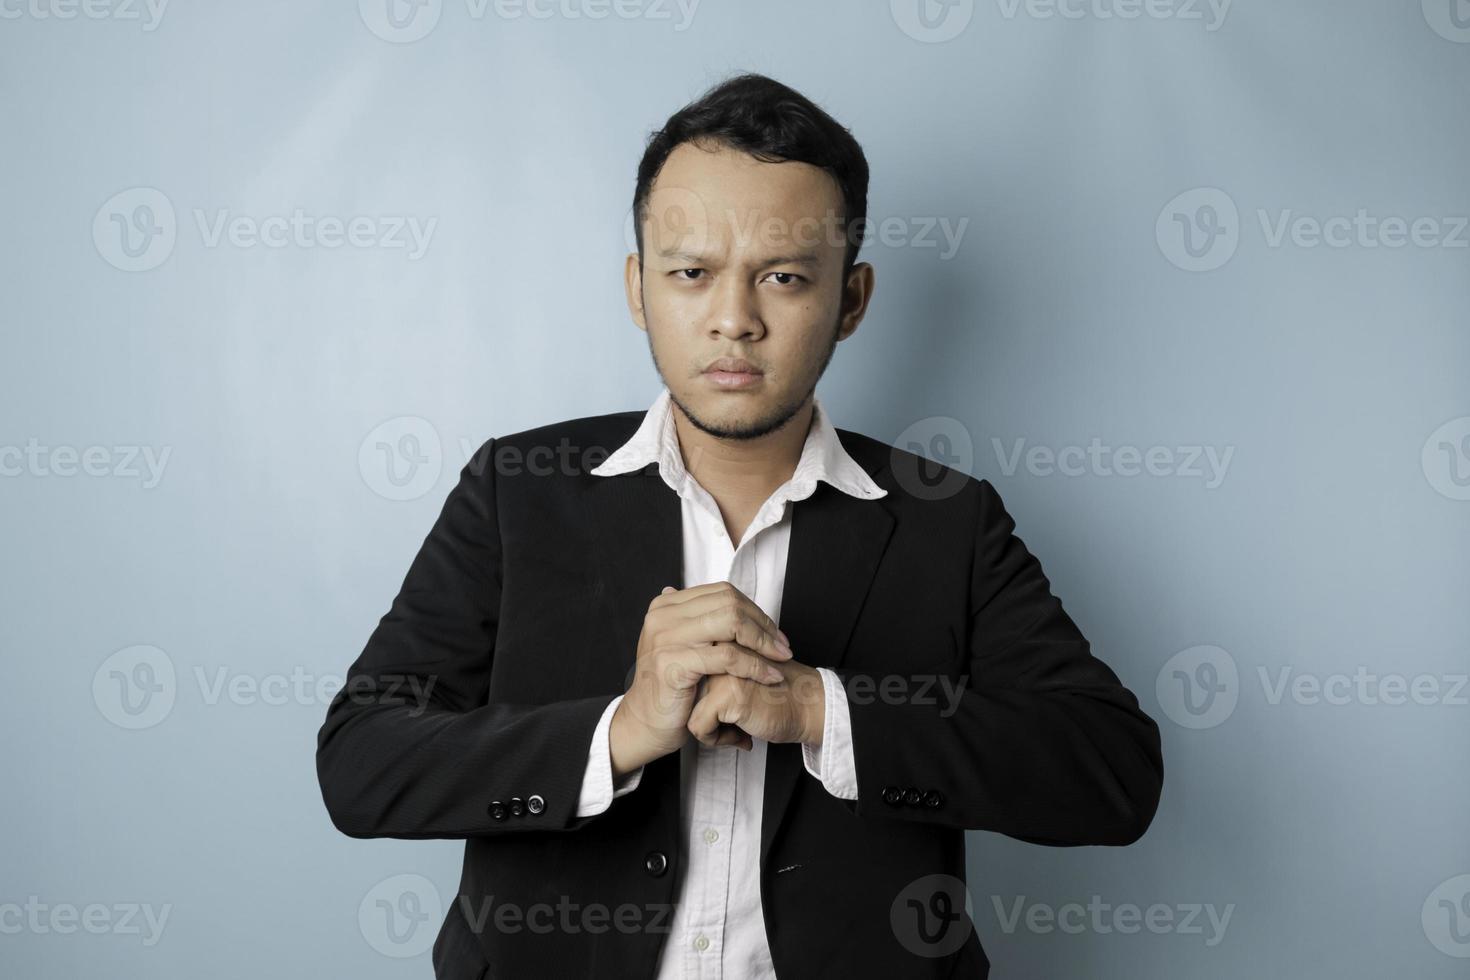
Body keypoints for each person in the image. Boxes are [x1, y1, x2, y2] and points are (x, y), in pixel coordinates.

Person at [316, 71, 1164, 979]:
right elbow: (362, 760)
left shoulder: (947, 519)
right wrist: (622, 730)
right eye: (691, 274)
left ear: (851, 300)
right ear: (640, 290)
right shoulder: (517, 491)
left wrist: (820, 710)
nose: (734, 320)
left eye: (785, 278)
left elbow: (1111, 774)